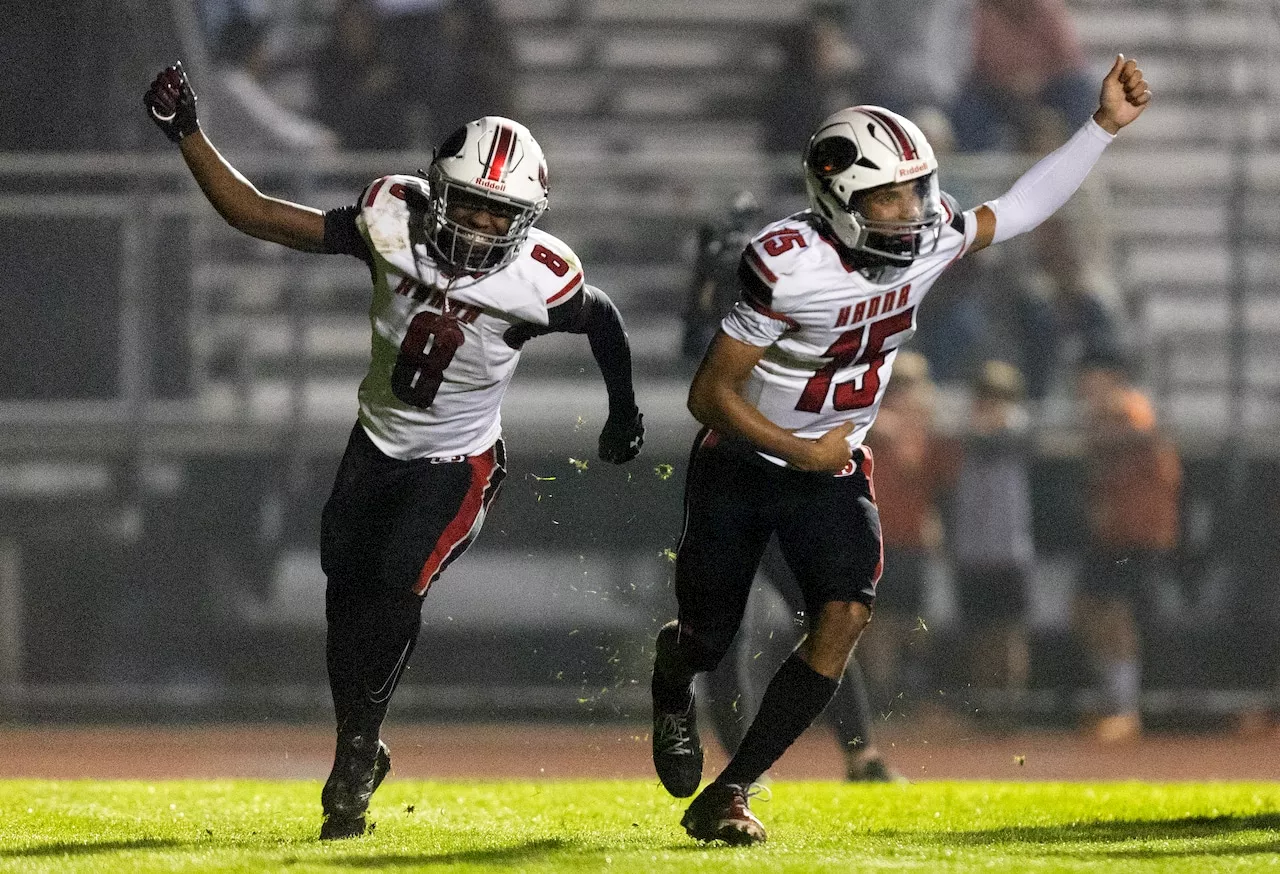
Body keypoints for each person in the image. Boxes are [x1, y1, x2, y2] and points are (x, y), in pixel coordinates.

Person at [649, 55, 1151, 845]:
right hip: (743, 465)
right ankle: (671, 677)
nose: (910, 208)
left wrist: (1099, 130)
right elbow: (709, 394)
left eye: (915, 188)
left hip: (831, 467)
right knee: (709, 637)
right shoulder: (786, 266)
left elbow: (1018, 208)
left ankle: (732, 789)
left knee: (844, 614)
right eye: (887, 194)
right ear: (839, 199)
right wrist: (794, 448)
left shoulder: (928, 240)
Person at [143, 62, 646, 840]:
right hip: (375, 444)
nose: (479, 229)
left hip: (460, 462)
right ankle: (362, 743)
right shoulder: (389, 220)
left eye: (496, 215)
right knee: (345, 598)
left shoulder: (538, 280)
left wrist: (625, 410)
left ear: (527, 218)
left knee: (393, 585)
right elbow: (259, 216)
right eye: (469, 208)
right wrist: (189, 136)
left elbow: (604, 318)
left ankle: (350, 758)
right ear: (437, 193)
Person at [1070, 350, 1181, 743]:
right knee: (1087, 610)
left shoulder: (1128, 407)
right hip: (1112, 533)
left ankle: (1123, 708)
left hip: (1135, 531)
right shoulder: (1104, 412)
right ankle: (1113, 698)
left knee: (1115, 615)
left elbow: (1143, 435)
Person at [947, 360, 1036, 724]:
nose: (992, 402)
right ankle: (985, 706)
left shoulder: (1016, 425)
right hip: (971, 549)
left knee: (1009, 633)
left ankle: (1011, 706)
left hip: (1008, 549)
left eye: (999, 395)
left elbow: (1003, 432)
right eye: (986, 394)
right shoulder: (967, 429)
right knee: (979, 633)